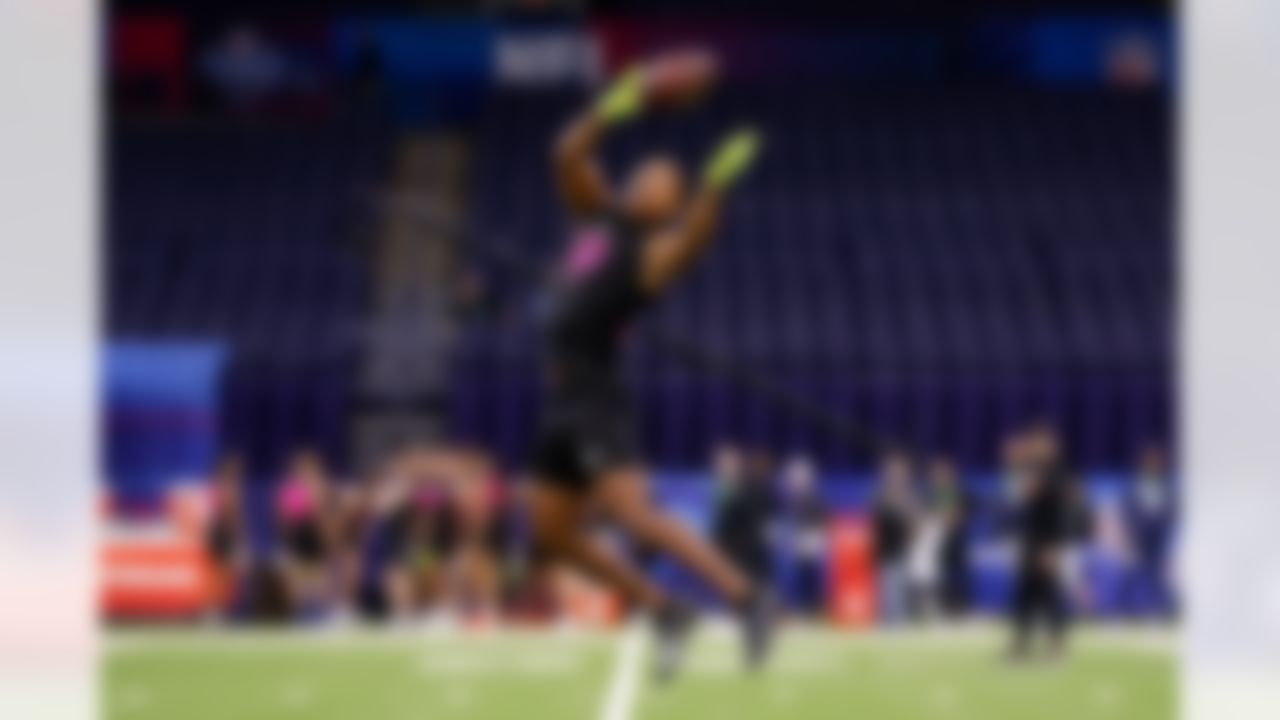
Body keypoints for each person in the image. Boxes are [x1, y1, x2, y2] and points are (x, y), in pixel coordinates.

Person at [526, 52, 769, 681]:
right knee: (551, 533)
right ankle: (664, 611)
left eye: (665, 178)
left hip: (595, 398)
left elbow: (694, 241)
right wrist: (611, 108)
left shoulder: (650, 252)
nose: (647, 175)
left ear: (670, 205)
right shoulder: (598, 216)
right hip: (561, 399)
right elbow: (565, 155)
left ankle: (746, 598)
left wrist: (713, 188)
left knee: (632, 513)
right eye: (645, 168)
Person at [1007, 423, 1071, 661]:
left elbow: (1039, 496)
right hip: (1030, 541)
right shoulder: (1037, 469)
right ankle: (1020, 646)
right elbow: (1025, 494)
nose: (1035, 448)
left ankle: (1058, 648)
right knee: (1024, 596)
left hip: (1046, 543)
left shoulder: (1055, 472)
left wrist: (1053, 547)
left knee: (1050, 596)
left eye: (1040, 444)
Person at [710, 444, 774, 596]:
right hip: (734, 541)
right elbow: (727, 516)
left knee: (754, 575)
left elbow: (759, 516)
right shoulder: (729, 486)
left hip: (749, 543)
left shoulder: (755, 489)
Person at [779, 455, 828, 618]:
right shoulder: (790, 498)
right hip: (796, 539)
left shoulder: (814, 496)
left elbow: (821, 520)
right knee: (798, 572)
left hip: (811, 539)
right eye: (794, 477)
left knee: (809, 573)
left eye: (800, 476)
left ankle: (814, 607)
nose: (796, 480)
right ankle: (799, 607)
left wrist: (813, 535)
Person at [872, 451, 916, 626]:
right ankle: (889, 617)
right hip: (885, 545)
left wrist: (911, 535)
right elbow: (876, 517)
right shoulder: (881, 494)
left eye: (900, 471)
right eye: (892, 471)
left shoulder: (908, 495)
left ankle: (900, 617)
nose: (896, 475)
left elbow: (914, 519)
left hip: (902, 545)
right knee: (887, 583)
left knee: (902, 581)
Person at [928, 456, 972, 619]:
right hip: (940, 540)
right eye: (936, 474)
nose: (938, 476)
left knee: (959, 575)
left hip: (957, 541)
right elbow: (932, 515)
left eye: (941, 473)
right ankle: (945, 608)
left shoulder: (958, 491)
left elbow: (962, 514)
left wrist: (952, 518)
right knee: (942, 575)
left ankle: (962, 608)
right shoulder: (933, 494)